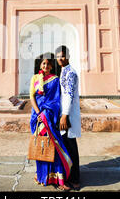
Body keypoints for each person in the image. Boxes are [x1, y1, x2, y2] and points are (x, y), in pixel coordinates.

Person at [29, 53, 72, 191]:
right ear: (40, 65)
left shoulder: (55, 79)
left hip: (49, 117)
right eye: (43, 63)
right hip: (38, 118)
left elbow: (55, 100)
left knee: (54, 145)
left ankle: (58, 179)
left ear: (51, 66)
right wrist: (38, 113)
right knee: (42, 146)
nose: (45, 66)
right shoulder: (35, 78)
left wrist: (46, 113)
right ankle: (42, 176)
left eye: (48, 63)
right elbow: (32, 97)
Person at [56, 45, 81, 190]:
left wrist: (65, 115)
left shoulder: (70, 73)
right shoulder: (64, 71)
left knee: (70, 148)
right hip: (65, 114)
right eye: (58, 56)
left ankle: (75, 180)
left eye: (63, 56)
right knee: (67, 146)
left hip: (68, 116)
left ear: (68, 56)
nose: (60, 58)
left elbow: (69, 95)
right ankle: (70, 176)